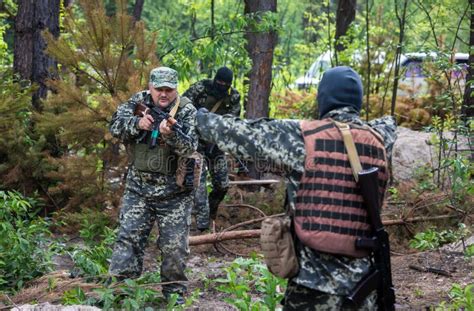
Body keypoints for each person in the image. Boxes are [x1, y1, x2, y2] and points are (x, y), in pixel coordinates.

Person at [196, 66, 397, 310]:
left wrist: (196, 116)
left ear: (323, 98)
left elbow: (236, 133)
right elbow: (389, 123)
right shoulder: (380, 139)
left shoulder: (302, 138)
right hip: (365, 287)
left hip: (312, 288)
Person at [108, 66, 198, 304]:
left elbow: (190, 147)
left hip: (174, 195)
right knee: (127, 241)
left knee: (175, 249)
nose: (164, 94)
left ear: (176, 89)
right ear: (150, 87)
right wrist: (139, 124)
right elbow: (114, 126)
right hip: (139, 188)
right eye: (159, 89)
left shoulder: (186, 110)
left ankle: (174, 298)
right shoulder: (138, 101)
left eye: (169, 89)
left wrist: (169, 134)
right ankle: (120, 294)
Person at [183, 66, 241, 231]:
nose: (221, 85)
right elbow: (182, 106)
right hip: (195, 144)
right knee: (199, 187)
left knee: (222, 185)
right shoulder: (201, 88)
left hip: (215, 145)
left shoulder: (233, 96)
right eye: (219, 81)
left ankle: (210, 213)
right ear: (214, 79)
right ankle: (203, 229)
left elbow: (233, 121)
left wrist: (218, 134)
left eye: (225, 83)